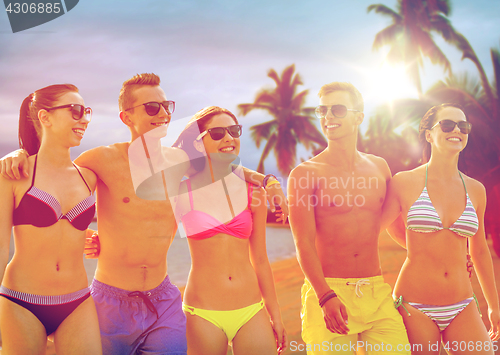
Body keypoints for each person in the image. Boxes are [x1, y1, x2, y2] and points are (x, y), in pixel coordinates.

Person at [0, 73, 288, 354]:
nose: (163, 113)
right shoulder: (101, 159)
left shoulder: (181, 161)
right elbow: (57, 171)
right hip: (110, 299)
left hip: (162, 299)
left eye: (166, 106)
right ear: (127, 117)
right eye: (152, 107)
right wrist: (19, 154)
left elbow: (224, 164)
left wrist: (268, 180)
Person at [288, 82, 410, 354]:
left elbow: (395, 227)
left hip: (375, 291)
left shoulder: (379, 167)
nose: (328, 117)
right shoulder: (305, 174)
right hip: (329, 290)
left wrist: (434, 255)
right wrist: (324, 296)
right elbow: (303, 243)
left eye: (338, 109)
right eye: (323, 110)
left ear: (358, 116)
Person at [382, 103, 500, 354]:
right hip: (414, 305)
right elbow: (379, 228)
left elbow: (479, 251)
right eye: (447, 124)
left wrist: (494, 305)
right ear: (428, 134)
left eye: (463, 125)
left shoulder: (476, 189)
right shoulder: (405, 182)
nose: (456, 130)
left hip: (463, 303)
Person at [171, 106, 287, 355]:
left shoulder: (254, 192)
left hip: (251, 309)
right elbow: (157, 244)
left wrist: (274, 313)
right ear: (199, 144)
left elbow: (261, 260)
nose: (229, 138)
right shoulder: (182, 193)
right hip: (202, 312)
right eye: (217, 133)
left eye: (234, 131)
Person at [0, 84, 102, 354]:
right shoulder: (14, 174)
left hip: (77, 301)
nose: (84, 120)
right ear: (45, 118)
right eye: (76, 111)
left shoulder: (88, 177)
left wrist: (102, 241)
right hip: (22, 301)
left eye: (86, 112)